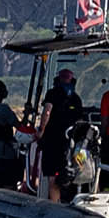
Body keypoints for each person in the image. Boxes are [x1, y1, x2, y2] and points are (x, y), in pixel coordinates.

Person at [36, 67, 84, 202]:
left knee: (53, 177)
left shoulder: (52, 94)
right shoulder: (76, 99)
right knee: (70, 174)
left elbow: (47, 112)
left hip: (53, 141)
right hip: (71, 144)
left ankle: (55, 205)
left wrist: (41, 131)